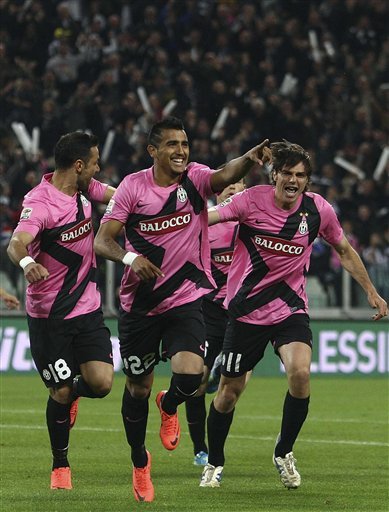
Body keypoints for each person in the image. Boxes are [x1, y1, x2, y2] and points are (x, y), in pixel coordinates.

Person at [93, 116, 271, 503]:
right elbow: (102, 242)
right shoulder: (131, 188)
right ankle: (140, 463)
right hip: (140, 305)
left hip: (187, 298)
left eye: (185, 144)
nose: (181, 151)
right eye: (172, 144)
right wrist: (129, 258)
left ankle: (169, 403)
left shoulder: (196, 178)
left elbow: (226, 174)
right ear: (153, 151)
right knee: (138, 387)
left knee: (193, 378)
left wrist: (251, 158)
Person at [200, 140, 388, 490]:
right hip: (246, 311)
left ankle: (284, 452)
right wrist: (166, 220)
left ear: (307, 180)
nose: (293, 180)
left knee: (300, 374)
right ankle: (214, 460)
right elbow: (207, 217)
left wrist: (371, 291)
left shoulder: (318, 211)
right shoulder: (250, 200)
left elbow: (344, 250)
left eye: (301, 175)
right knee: (228, 393)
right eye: (287, 172)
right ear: (274, 174)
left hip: (290, 310)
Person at [7, 131, 116, 491]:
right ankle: (60, 466)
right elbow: (16, 243)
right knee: (61, 393)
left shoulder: (87, 189)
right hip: (49, 316)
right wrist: (26, 264)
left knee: (100, 383)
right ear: (79, 165)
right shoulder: (39, 202)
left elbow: (122, 199)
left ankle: (73, 393)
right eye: (95, 163)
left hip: (86, 307)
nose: (99, 170)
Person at [184, 179, 250, 466]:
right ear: (219, 192)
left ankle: (218, 377)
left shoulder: (253, 222)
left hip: (242, 310)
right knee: (196, 382)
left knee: (236, 386)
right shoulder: (205, 223)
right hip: (209, 310)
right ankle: (201, 448)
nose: (234, 191)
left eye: (240, 186)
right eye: (229, 187)